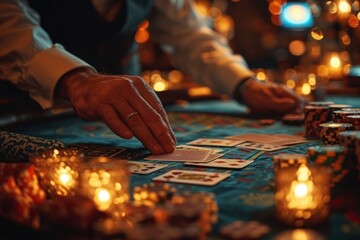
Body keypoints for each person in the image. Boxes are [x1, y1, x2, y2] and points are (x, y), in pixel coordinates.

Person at [0, 0, 303, 154]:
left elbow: (188, 33)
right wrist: (76, 80)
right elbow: (9, 25)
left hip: (126, 123)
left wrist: (243, 84)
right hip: (21, 113)